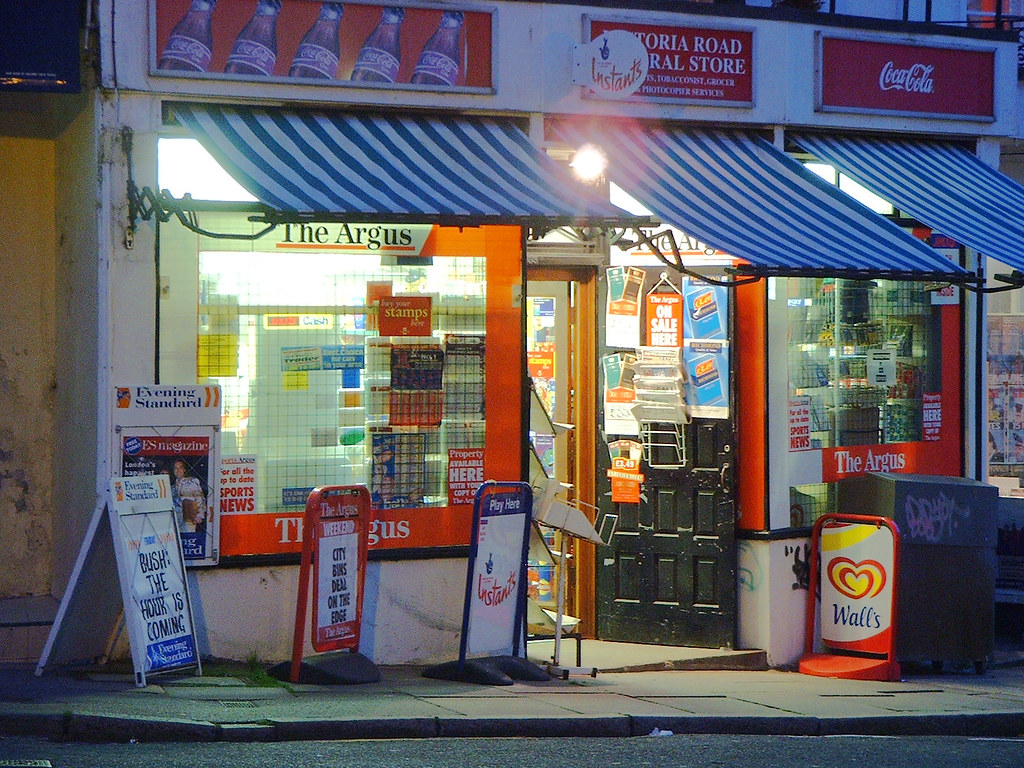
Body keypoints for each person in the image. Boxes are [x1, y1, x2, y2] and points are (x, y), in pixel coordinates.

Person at [172, 459, 207, 533]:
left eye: (180, 467)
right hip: (176, 519)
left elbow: (200, 498)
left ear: (184, 470)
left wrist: (200, 514)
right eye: (176, 468)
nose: (178, 470)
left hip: (189, 517)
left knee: (189, 535)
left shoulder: (192, 482)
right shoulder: (172, 487)